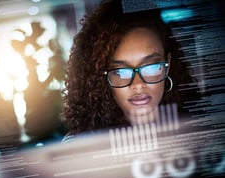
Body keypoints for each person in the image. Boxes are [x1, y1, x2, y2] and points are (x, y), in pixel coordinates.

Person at [62, 0, 199, 135]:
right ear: (101, 79)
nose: (138, 84)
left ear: (167, 65)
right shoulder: (81, 145)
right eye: (121, 72)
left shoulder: (201, 130)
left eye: (150, 67)